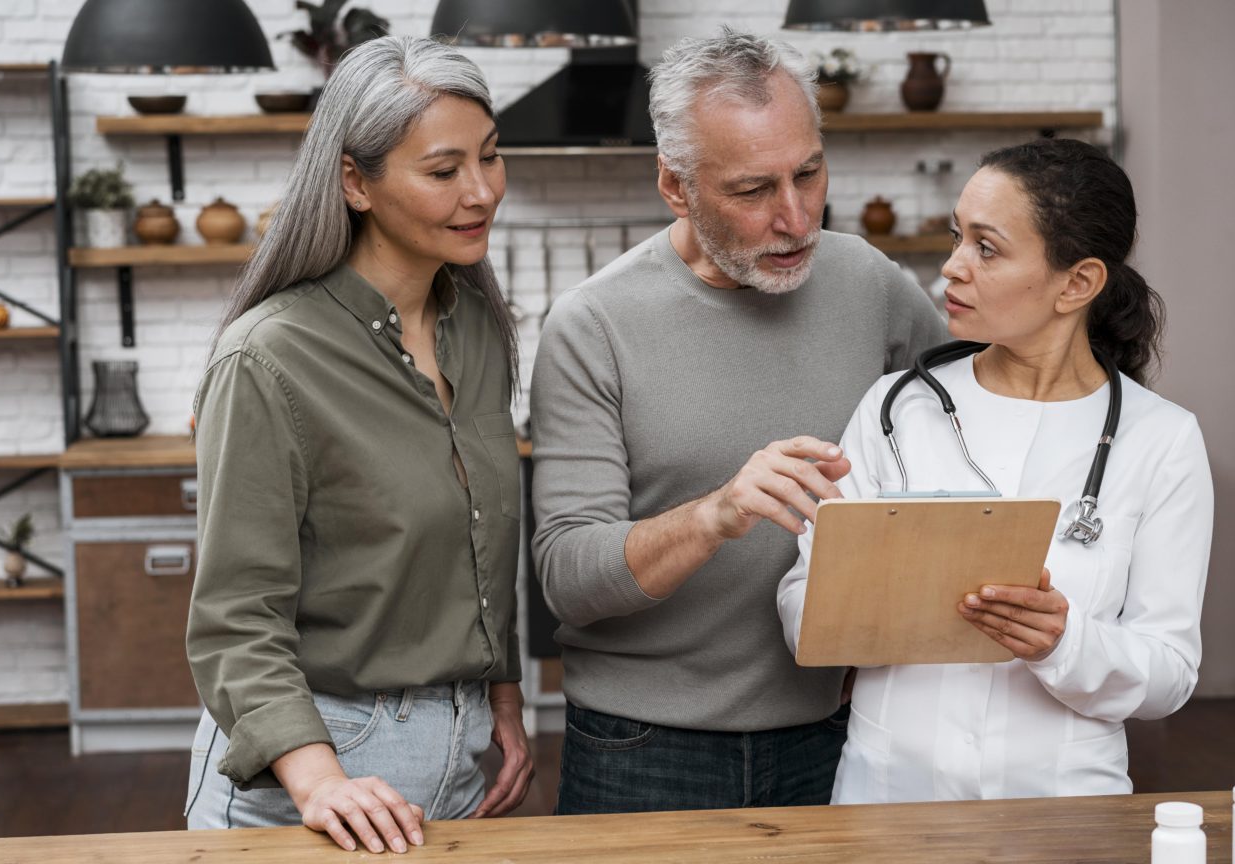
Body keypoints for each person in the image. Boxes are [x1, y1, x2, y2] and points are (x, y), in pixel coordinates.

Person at [530, 28, 945, 814]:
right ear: (676, 186)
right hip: (642, 751)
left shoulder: (870, 282)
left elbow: (975, 427)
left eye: (810, 174)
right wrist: (717, 513)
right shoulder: (593, 324)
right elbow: (569, 579)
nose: (795, 218)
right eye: (753, 191)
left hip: (838, 727)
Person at [777, 137, 1214, 803]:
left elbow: (1170, 674)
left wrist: (1064, 642)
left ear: (1079, 283)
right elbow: (801, 598)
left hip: (1063, 804)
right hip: (889, 793)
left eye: (986, 247)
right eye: (957, 237)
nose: (951, 268)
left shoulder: (1162, 441)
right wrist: (857, 605)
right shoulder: (899, 410)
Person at [184, 36, 532, 852]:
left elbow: (481, 537)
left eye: (491, 156)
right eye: (444, 171)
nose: (481, 191)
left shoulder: (477, 329)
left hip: (461, 753)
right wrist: (321, 781)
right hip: (312, 767)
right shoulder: (268, 357)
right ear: (355, 181)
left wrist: (503, 698)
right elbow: (237, 615)